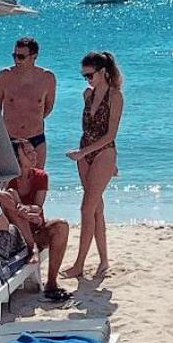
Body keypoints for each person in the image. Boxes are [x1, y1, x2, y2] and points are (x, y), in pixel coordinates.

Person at [66, 51, 124, 281]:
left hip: (103, 153)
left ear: (103, 72)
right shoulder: (87, 94)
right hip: (85, 152)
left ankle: (79, 264)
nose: (87, 80)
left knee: (86, 208)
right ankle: (104, 260)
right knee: (96, 208)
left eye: (90, 75)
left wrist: (84, 153)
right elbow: (88, 129)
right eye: (84, 76)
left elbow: (110, 135)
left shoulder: (115, 96)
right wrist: (82, 153)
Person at [5, 139, 73, 302]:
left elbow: (38, 207)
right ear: (16, 158)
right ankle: (31, 248)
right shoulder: (9, 180)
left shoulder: (40, 176)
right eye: (27, 153)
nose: (34, 155)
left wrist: (27, 210)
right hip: (17, 237)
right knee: (10, 202)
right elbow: (9, 208)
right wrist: (24, 211)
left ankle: (51, 282)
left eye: (33, 151)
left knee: (61, 225)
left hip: (36, 231)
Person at [0, 37, 57, 168]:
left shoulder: (47, 78)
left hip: (36, 138)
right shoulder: (5, 76)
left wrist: (31, 119)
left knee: (37, 178)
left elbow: (48, 107)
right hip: (10, 138)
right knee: (10, 179)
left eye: (21, 57)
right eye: (15, 56)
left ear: (34, 57)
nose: (17, 60)